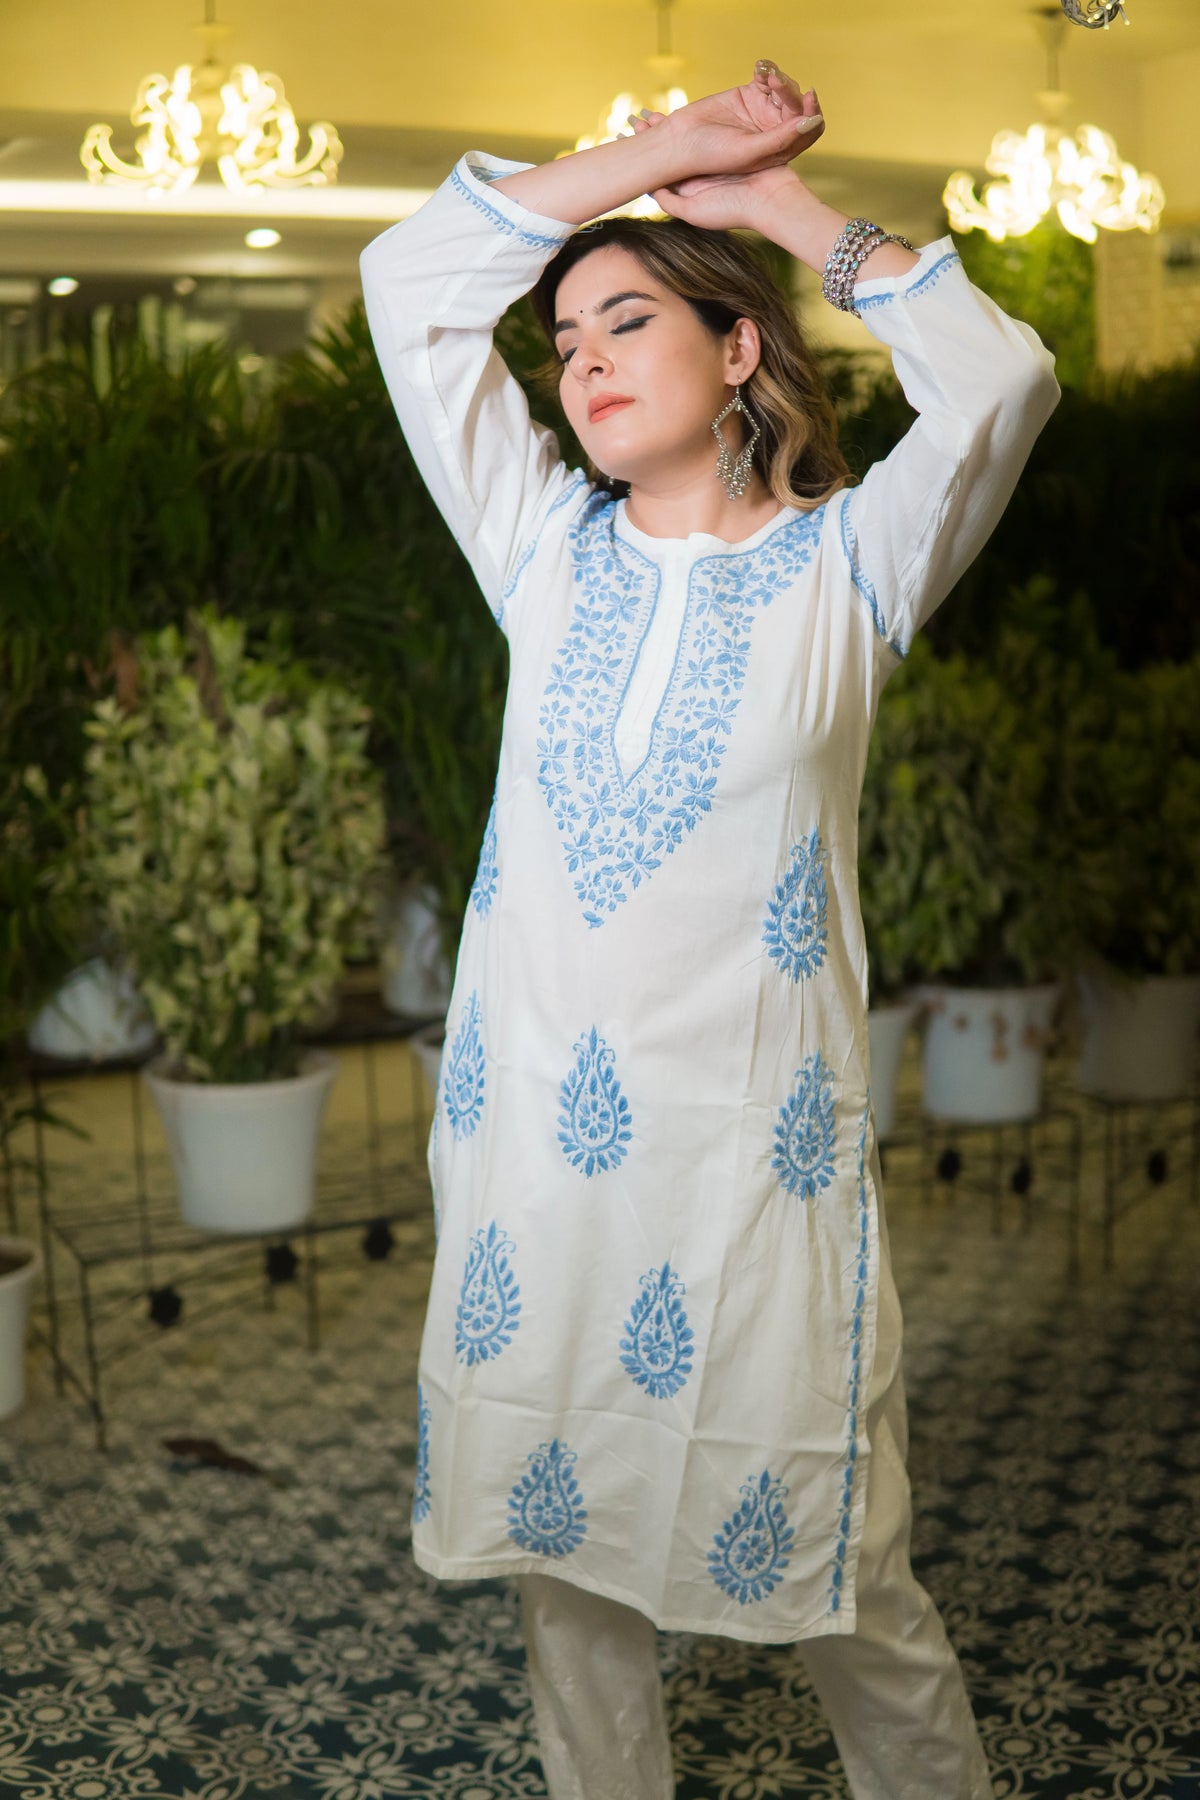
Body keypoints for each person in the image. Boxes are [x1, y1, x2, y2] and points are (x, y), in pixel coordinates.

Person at [360, 60, 1059, 1800]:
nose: (579, 359)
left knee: (851, 1578)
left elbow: (1004, 382)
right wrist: (661, 155)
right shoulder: (539, 547)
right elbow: (406, 285)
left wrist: (781, 211)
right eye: (565, 338)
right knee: (568, 1572)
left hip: (758, 1174)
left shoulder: (852, 568)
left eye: (624, 323)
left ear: (737, 350)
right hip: (544, 1159)